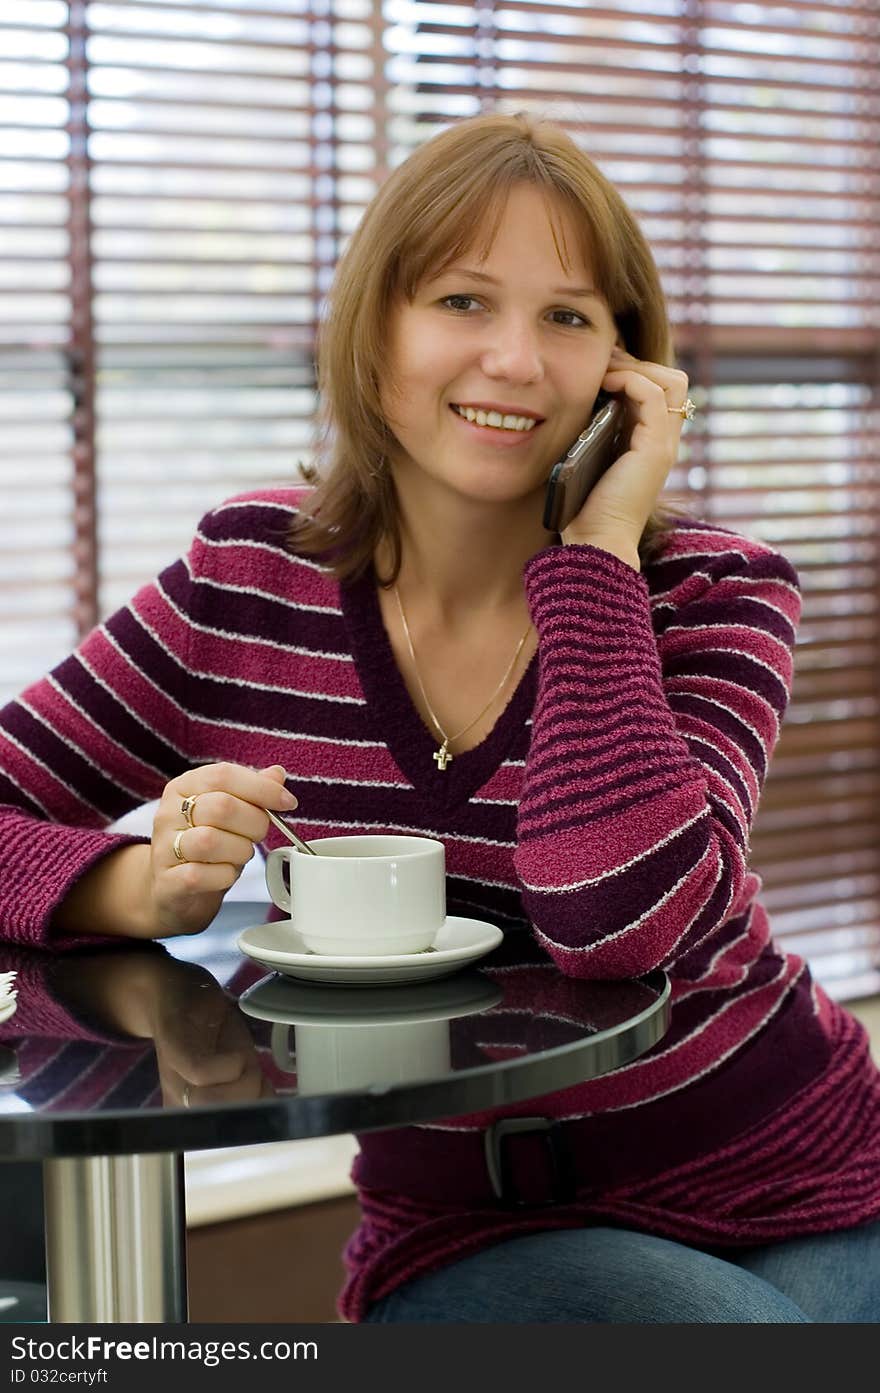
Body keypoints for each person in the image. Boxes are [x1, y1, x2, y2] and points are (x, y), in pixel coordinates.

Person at [0, 111, 877, 1323]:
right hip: (482, 1220)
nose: (515, 361)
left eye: (567, 316)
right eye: (463, 301)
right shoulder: (249, 579)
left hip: (808, 1162)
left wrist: (600, 558)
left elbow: (621, 918)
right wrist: (133, 885)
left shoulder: (716, 591)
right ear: (376, 333)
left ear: (626, 369)